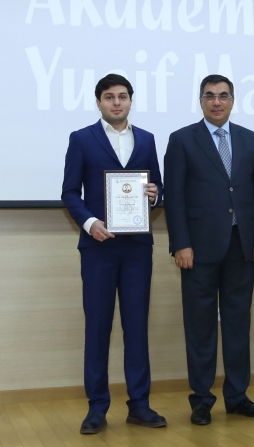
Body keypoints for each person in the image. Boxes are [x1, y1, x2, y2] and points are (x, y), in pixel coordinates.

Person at [163, 74, 254, 425]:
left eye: (223, 96)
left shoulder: (251, 139)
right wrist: (181, 244)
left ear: (232, 101)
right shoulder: (182, 139)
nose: (216, 102)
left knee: (238, 324)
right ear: (201, 101)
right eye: (210, 96)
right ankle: (201, 399)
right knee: (201, 326)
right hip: (198, 249)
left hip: (242, 246)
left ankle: (237, 396)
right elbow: (174, 197)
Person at [60, 74, 166, 433]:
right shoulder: (81, 139)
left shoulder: (147, 139)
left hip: (137, 249)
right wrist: (90, 223)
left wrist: (155, 194)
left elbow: (157, 185)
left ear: (131, 101)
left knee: (136, 327)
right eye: (109, 97)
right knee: (98, 327)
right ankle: (97, 408)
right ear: (99, 102)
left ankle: (139, 405)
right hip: (98, 248)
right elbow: (70, 192)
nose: (116, 102)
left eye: (122, 96)